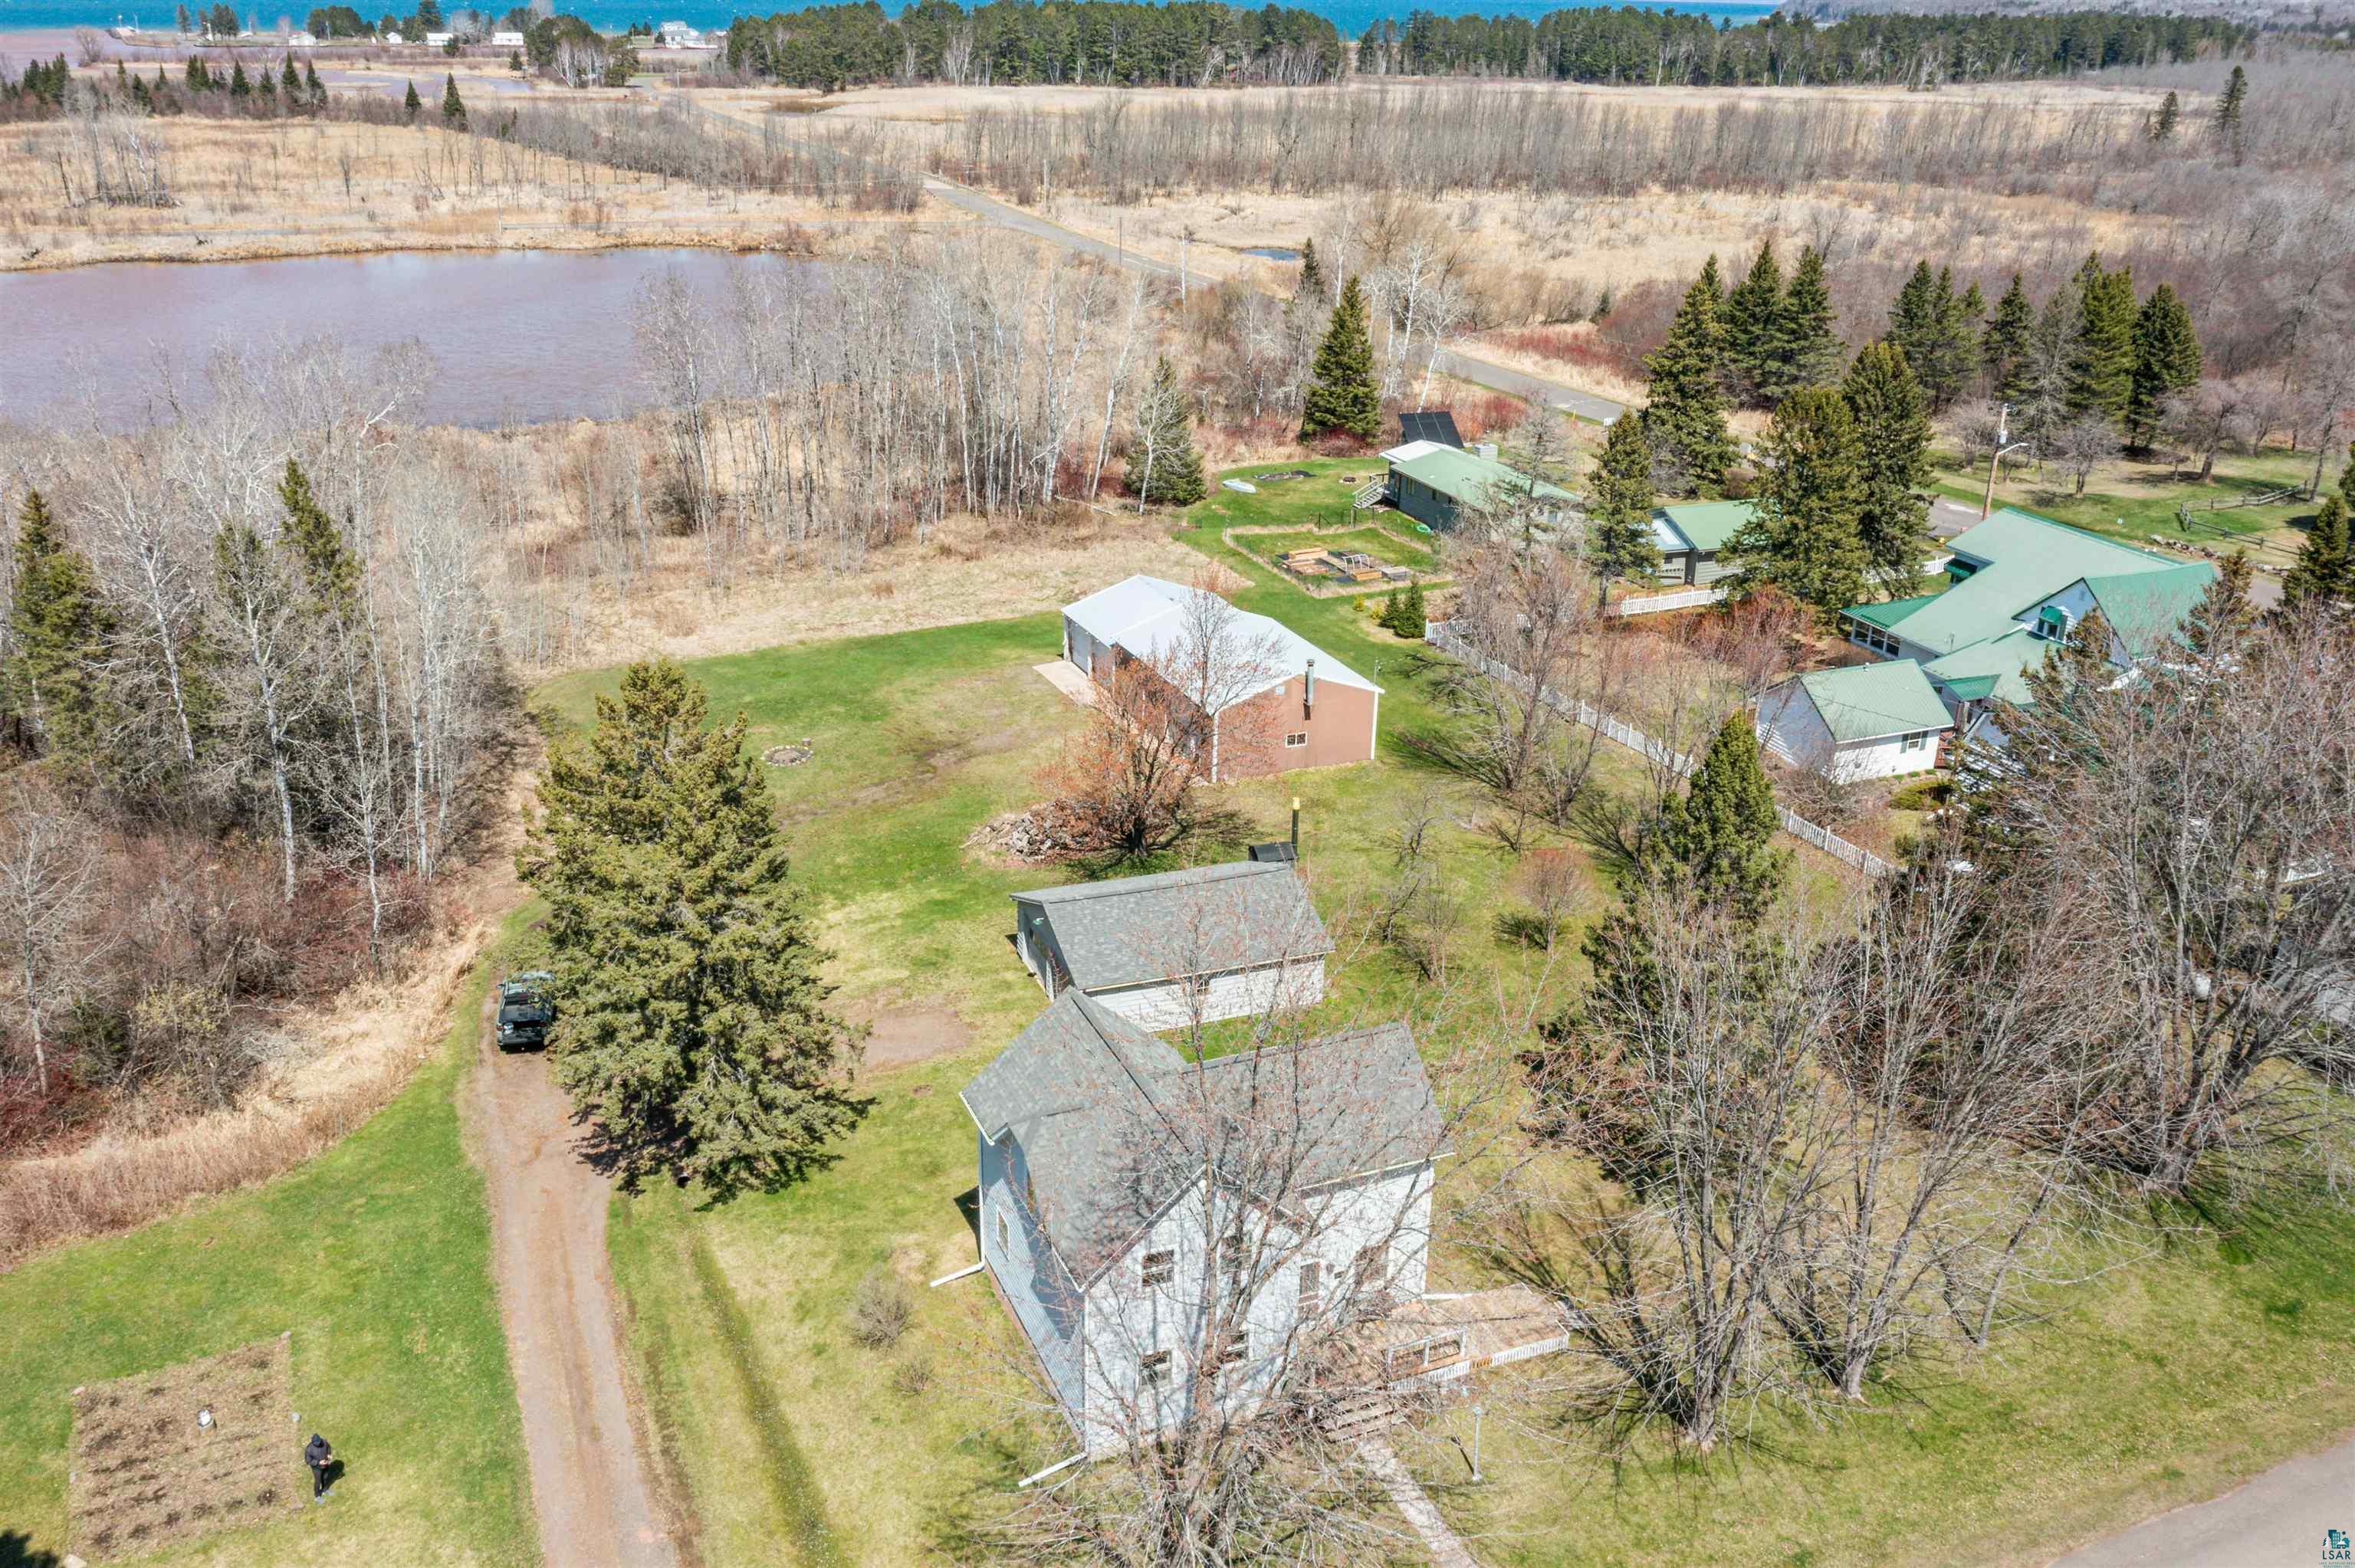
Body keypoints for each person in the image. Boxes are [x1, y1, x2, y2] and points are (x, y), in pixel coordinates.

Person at [304, 1432, 333, 1503]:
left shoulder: (324, 1442)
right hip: (317, 1468)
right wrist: (318, 1462)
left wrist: (329, 1454)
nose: (318, 1444)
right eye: (316, 1443)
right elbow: (308, 1461)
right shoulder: (309, 1449)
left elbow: (328, 1447)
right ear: (313, 1442)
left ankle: (325, 1489)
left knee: (326, 1477)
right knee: (318, 1481)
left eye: (319, 1442)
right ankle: (317, 1496)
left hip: (326, 1464)